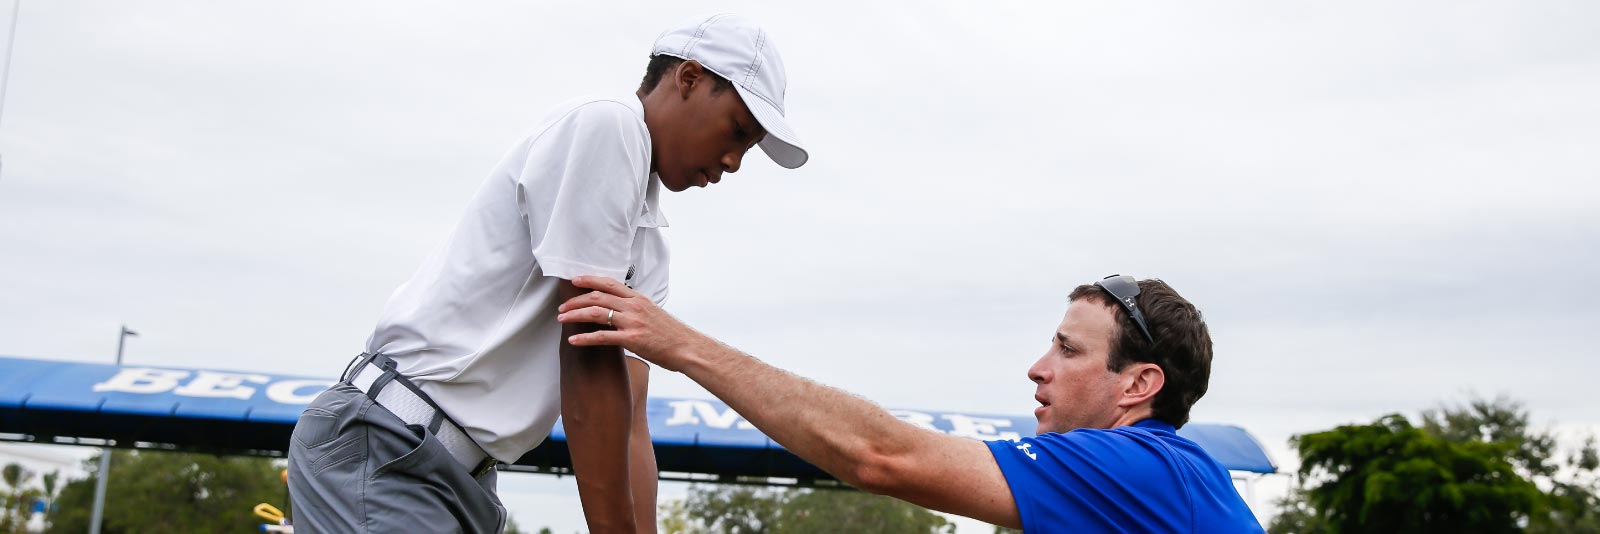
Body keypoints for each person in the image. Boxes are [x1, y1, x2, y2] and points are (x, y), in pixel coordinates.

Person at [286, 14, 808, 533]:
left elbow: (629, 420)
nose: (736, 161)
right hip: (388, 446)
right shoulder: (609, 123)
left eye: (749, 147)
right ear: (689, 78)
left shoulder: (649, 251)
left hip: (460, 477)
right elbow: (587, 355)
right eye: (738, 131)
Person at [558, 274, 1265, 532]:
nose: (1037, 371)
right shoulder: (1134, 490)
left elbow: (881, 456)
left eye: (1068, 351)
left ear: (1139, 386)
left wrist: (679, 344)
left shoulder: (1144, 468)